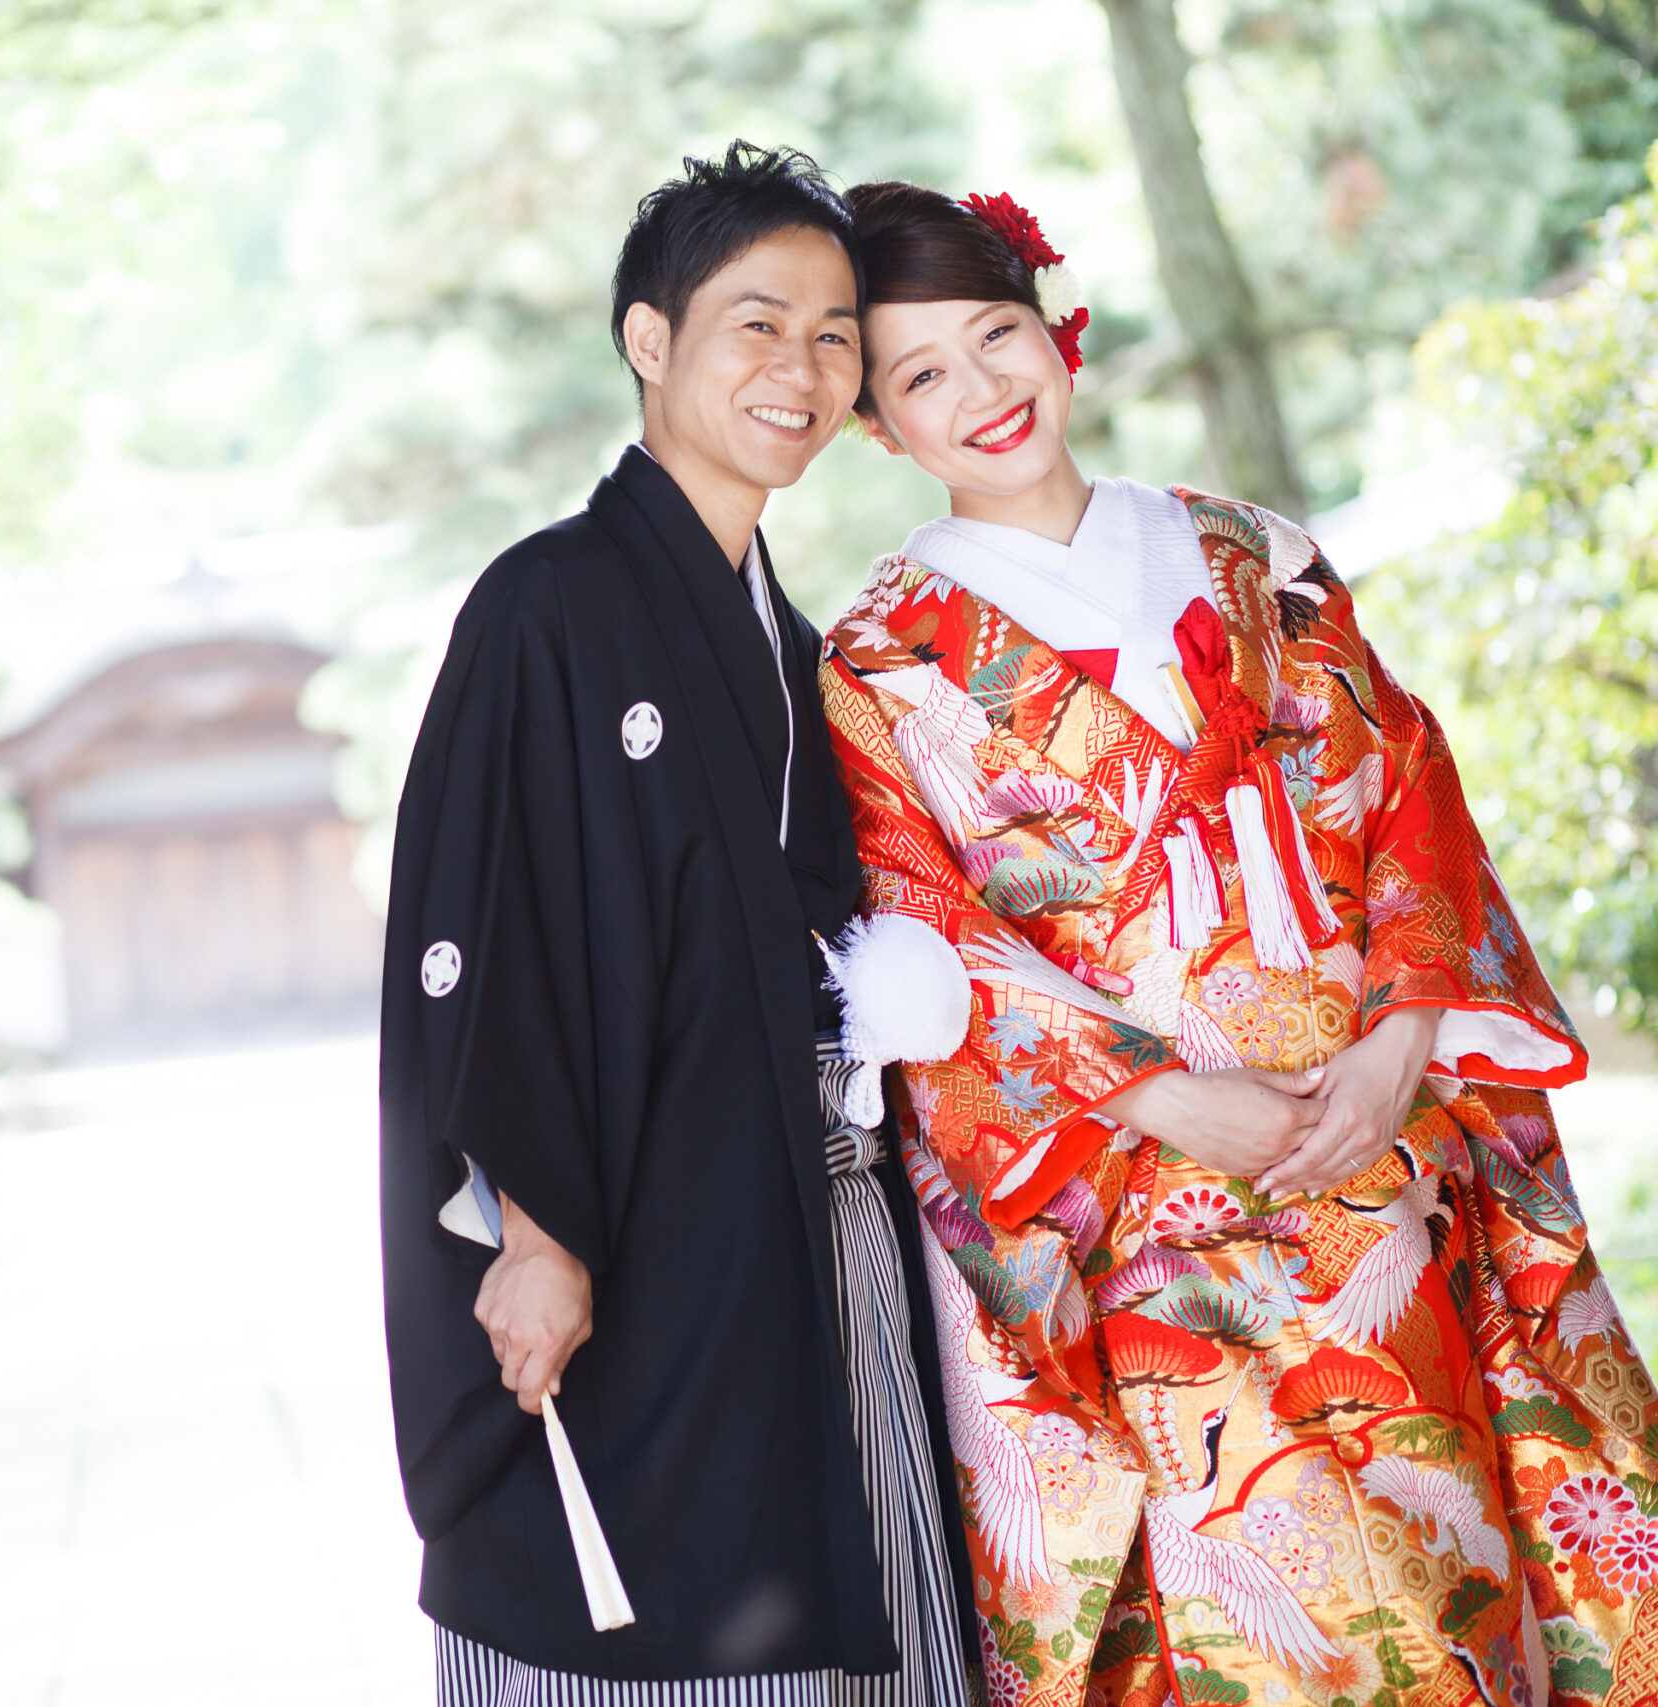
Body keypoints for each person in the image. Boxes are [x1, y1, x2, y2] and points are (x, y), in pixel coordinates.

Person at [818, 177, 1658, 1707]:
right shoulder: (877, 663)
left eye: (994, 336)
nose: (978, 392)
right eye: (919, 376)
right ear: (878, 427)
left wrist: (1405, 1038)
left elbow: (1404, 782)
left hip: (1364, 1159)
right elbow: (927, 934)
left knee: (1451, 1590)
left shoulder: (1247, 553)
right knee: (1269, 1632)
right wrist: (1150, 1095)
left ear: (1055, 327)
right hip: (1145, 1225)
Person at [379, 140, 977, 1706]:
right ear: (651, 343)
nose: (803, 366)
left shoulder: (791, 636)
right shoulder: (547, 603)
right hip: (631, 1242)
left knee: (844, 1609)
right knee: (659, 1616)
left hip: (808, 1234)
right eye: (756, 323)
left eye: (836, 332)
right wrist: (538, 1226)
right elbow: (472, 930)